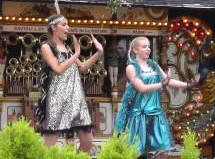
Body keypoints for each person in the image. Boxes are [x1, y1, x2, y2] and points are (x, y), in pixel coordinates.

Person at [114, 36, 199, 159]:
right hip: (139, 116)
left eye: (149, 46)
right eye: (144, 47)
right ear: (135, 50)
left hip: (156, 114)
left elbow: (168, 81)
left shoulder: (153, 65)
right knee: (137, 153)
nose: (148, 49)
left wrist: (188, 85)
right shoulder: (131, 68)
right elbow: (142, 88)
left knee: (163, 151)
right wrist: (161, 84)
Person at [36, 14, 103, 154]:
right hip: (57, 99)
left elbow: (83, 67)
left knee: (87, 141)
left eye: (68, 24)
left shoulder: (68, 48)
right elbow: (58, 69)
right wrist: (76, 54)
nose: (68, 27)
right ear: (54, 27)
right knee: (49, 145)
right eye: (64, 24)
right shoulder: (46, 47)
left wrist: (99, 53)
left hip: (76, 98)